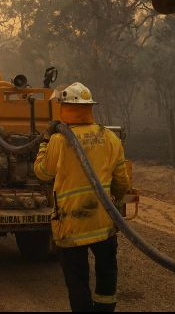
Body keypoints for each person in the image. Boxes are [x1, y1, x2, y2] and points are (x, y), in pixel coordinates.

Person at [34, 82, 131, 312]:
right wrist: (115, 201)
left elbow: (42, 172)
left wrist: (44, 143)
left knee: (77, 279)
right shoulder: (109, 137)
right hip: (103, 221)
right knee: (107, 272)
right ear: (89, 107)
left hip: (71, 224)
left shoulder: (59, 140)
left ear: (65, 107)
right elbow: (122, 182)